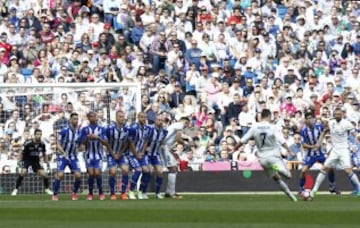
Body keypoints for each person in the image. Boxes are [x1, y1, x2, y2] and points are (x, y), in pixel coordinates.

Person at [235, 109, 297, 202]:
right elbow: (282, 141)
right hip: (273, 156)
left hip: (262, 159)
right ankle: (277, 167)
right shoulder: (273, 127)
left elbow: (243, 139)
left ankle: (292, 197)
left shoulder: (255, 127)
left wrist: (234, 148)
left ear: (261, 117)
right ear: (268, 116)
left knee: (276, 178)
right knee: (288, 176)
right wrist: (289, 150)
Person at [311, 108, 360, 196]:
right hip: (334, 150)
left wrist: (356, 142)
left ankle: (359, 188)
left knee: (348, 170)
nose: (337, 115)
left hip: (344, 149)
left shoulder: (346, 123)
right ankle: (314, 189)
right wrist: (318, 143)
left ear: (342, 114)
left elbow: (355, 134)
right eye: (335, 114)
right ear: (333, 115)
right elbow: (324, 132)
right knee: (324, 168)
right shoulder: (331, 122)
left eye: (339, 114)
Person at [299, 110, 339, 194]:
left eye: (311, 118)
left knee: (330, 167)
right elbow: (304, 145)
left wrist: (328, 124)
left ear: (314, 119)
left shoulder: (319, 127)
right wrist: (313, 146)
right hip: (310, 154)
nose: (309, 120)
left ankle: (332, 186)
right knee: (303, 170)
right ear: (305, 120)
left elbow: (326, 129)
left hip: (321, 153)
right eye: (307, 118)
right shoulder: (303, 131)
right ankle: (301, 188)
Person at [11, 129, 53, 196]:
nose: (39, 136)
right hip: (27, 159)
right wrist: (19, 161)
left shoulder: (42, 144)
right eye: (37, 134)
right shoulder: (28, 143)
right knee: (23, 172)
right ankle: (15, 189)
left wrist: (47, 163)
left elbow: (44, 153)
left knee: (44, 174)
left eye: (40, 134)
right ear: (34, 135)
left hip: (35, 160)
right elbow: (21, 152)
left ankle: (47, 189)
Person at [52, 113, 82, 201]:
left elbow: (80, 145)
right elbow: (57, 143)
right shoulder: (64, 131)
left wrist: (81, 148)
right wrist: (63, 152)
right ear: (70, 120)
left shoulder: (79, 132)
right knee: (60, 175)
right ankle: (55, 194)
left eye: (77, 119)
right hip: (63, 156)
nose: (76, 121)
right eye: (74, 119)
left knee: (78, 175)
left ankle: (74, 193)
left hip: (73, 156)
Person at [79, 111, 108, 200]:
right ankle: (90, 193)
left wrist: (97, 137)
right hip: (88, 155)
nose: (92, 118)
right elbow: (82, 143)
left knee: (97, 173)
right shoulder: (84, 129)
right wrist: (87, 138)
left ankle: (101, 193)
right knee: (91, 174)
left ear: (96, 117)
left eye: (94, 116)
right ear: (88, 118)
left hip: (98, 155)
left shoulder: (101, 129)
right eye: (90, 116)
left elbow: (106, 143)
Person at [138, 115, 168, 199]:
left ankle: (158, 192)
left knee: (160, 172)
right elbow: (145, 141)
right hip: (147, 154)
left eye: (162, 120)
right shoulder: (150, 129)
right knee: (148, 171)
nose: (160, 122)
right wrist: (143, 152)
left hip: (155, 154)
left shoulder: (165, 131)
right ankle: (143, 191)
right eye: (158, 120)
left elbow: (161, 142)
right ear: (155, 120)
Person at [161, 116, 191, 199]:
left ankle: (169, 192)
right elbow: (178, 139)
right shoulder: (179, 125)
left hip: (165, 147)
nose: (186, 126)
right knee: (173, 168)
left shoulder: (174, 126)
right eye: (187, 124)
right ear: (185, 122)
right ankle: (171, 192)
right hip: (163, 147)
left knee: (173, 168)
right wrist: (186, 144)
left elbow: (171, 140)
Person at [106, 110, 133, 200]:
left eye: (123, 116)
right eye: (120, 117)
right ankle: (112, 193)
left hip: (121, 154)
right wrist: (113, 154)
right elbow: (107, 143)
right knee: (113, 172)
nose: (122, 118)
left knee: (125, 170)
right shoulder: (110, 129)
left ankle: (123, 193)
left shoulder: (127, 129)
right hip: (111, 153)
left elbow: (127, 143)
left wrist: (120, 153)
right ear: (116, 118)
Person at [127, 112, 152, 199]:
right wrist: (136, 154)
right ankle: (130, 191)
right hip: (132, 154)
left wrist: (142, 151)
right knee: (138, 170)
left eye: (145, 117)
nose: (143, 119)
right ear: (138, 117)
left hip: (141, 153)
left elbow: (146, 141)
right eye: (141, 117)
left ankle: (141, 191)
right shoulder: (133, 128)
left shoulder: (147, 129)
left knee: (148, 170)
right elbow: (130, 143)